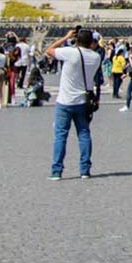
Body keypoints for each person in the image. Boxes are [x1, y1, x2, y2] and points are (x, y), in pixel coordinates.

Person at [46, 28, 103, 179]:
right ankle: (85, 170)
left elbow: (49, 50)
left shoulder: (70, 53)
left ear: (76, 40)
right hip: (83, 102)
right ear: (91, 42)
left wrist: (66, 36)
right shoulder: (96, 57)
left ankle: (56, 171)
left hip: (65, 101)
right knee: (84, 134)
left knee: (60, 136)